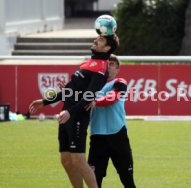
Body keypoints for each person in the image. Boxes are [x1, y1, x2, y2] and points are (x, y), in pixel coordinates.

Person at [29, 34, 120, 188]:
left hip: (77, 117)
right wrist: (44, 102)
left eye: (100, 40)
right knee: (66, 160)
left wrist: (70, 112)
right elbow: (69, 91)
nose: (95, 40)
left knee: (78, 159)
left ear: (107, 47)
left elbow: (89, 96)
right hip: (67, 115)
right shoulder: (88, 63)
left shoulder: (101, 68)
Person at [87, 54, 136, 188]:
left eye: (112, 64)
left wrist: (94, 101)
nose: (109, 66)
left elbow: (112, 98)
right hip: (97, 137)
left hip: (118, 136)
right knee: (94, 181)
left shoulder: (119, 82)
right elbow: (76, 103)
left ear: (117, 70)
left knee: (127, 179)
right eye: (107, 63)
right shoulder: (90, 86)